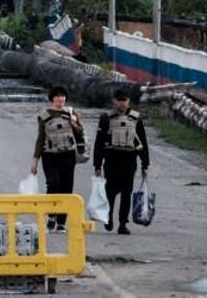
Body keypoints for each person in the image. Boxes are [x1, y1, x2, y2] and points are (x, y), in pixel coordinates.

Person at [93, 89, 150, 235]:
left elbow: (142, 142)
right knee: (110, 192)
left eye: (124, 100)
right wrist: (97, 165)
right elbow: (99, 143)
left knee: (126, 193)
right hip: (111, 160)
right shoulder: (106, 118)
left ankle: (123, 223)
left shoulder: (136, 119)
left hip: (129, 160)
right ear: (114, 101)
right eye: (119, 100)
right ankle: (108, 217)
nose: (122, 103)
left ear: (128, 101)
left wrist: (145, 164)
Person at [30, 85, 85, 233]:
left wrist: (74, 123)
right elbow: (40, 139)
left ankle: (61, 222)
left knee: (67, 187)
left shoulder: (71, 113)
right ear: (52, 99)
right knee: (53, 183)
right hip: (50, 155)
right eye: (58, 96)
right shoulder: (44, 116)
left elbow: (80, 132)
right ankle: (51, 214)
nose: (61, 99)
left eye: (63, 96)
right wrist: (35, 160)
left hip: (68, 154)